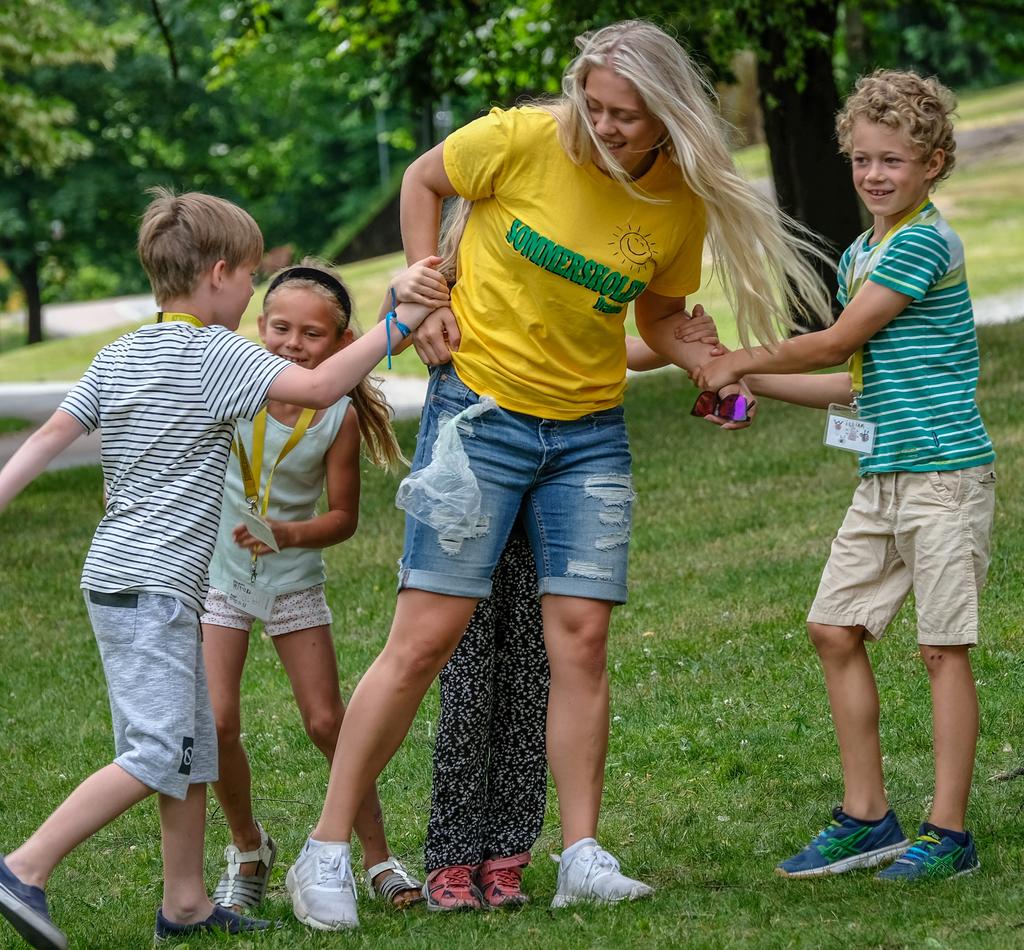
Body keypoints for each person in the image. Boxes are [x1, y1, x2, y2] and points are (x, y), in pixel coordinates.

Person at [285, 19, 833, 931]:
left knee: (581, 641)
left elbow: (656, 314)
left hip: (587, 434)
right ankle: (326, 852)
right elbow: (425, 178)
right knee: (424, 639)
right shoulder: (523, 137)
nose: (607, 125)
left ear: (668, 119)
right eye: (597, 104)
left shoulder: (676, 206)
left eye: (628, 115)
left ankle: (581, 856)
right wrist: (424, 297)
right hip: (481, 417)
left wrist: (699, 352)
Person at [0, 189, 430, 950]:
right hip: (157, 587)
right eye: (251, 280)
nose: (250, 297)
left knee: (195, 742)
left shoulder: (120, 350)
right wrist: (397, 322)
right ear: (224, 274)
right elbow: (322, 385)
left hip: (128, 579)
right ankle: (23, 868)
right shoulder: (215, 350)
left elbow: (47, 438)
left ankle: (187, 904)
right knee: (157, 751)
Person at [694, 70, 995, 881]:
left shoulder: (926, 241)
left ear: (934, 163)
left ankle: (948, 833)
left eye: (893, 160)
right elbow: (850, 381)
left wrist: (741, 354)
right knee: (834, 629)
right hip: (881, 477)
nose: (874, 175)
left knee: (941, 650)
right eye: (861, 159)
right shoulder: (861, 252)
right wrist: (742, 380)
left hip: (944, 480)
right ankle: (869, 817)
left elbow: (833, 342)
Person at [201, 259, 422, 915]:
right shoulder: (229, 389)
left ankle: (379, 856)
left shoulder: (337, 418)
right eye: (279, 328)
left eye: (311, 335)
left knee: (330, 722)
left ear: (340, 342)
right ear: (257, 326)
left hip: (293, 578)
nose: (292, 344)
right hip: (222, 580)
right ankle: (247, 850)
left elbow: (343, 519)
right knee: (215, 724)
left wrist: (287, 534)